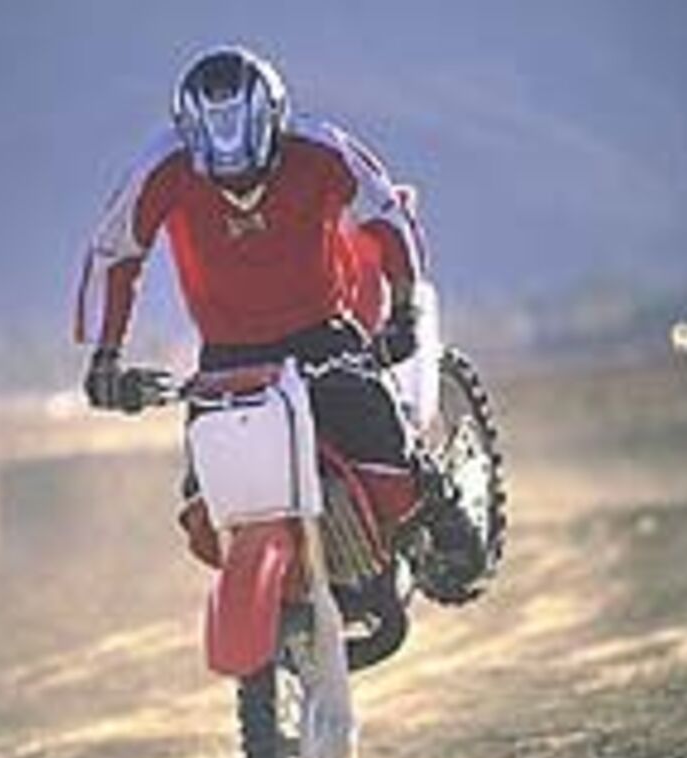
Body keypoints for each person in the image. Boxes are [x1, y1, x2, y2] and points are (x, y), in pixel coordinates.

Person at [75, 45, 478, 582]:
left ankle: (442, 509)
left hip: (323, 334)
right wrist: (105, 359)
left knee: (384, 446)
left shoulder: (322, 149)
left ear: (275, 125)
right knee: (203, 501)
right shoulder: (163, 166)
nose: (240, 188)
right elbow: (115, 253)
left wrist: (404, 311)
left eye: (252, 171)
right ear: (192, 140)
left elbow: (387, 216)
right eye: (221, 177)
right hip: (227, 354)